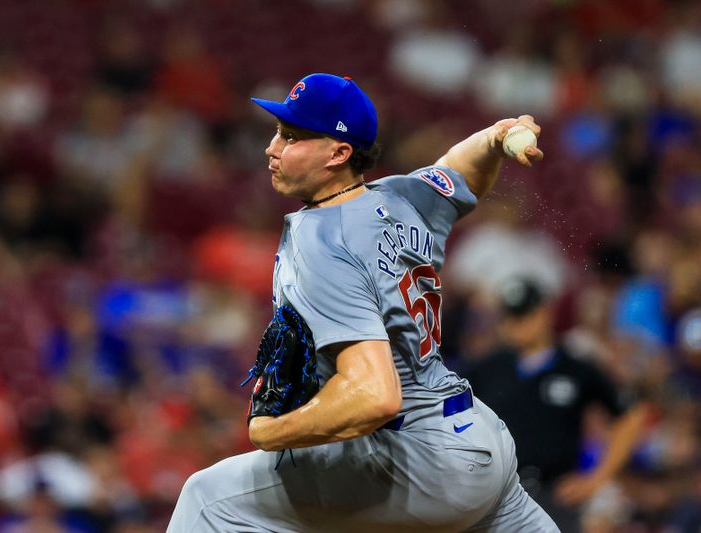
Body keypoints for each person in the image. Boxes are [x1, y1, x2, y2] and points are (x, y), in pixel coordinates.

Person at [167, 73, 558, 532]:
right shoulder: (404, 197)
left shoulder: (321, 242)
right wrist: (495, 138)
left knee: (209, 499)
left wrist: (269, 432)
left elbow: (374, 397)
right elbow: (461, 167)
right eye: (277, 133)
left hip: (417, 458)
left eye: (291, 137)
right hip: (481, 438)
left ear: (339, 153)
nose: (271, 148)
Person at [463, 278, 647, 533]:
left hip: (555, 495)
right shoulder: (485, 369)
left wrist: (597, 478)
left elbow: (630, 416)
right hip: (496, 494)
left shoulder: (576, 368)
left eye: (526, 314)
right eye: (512, 316)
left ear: (545, 313)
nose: (519, 324)